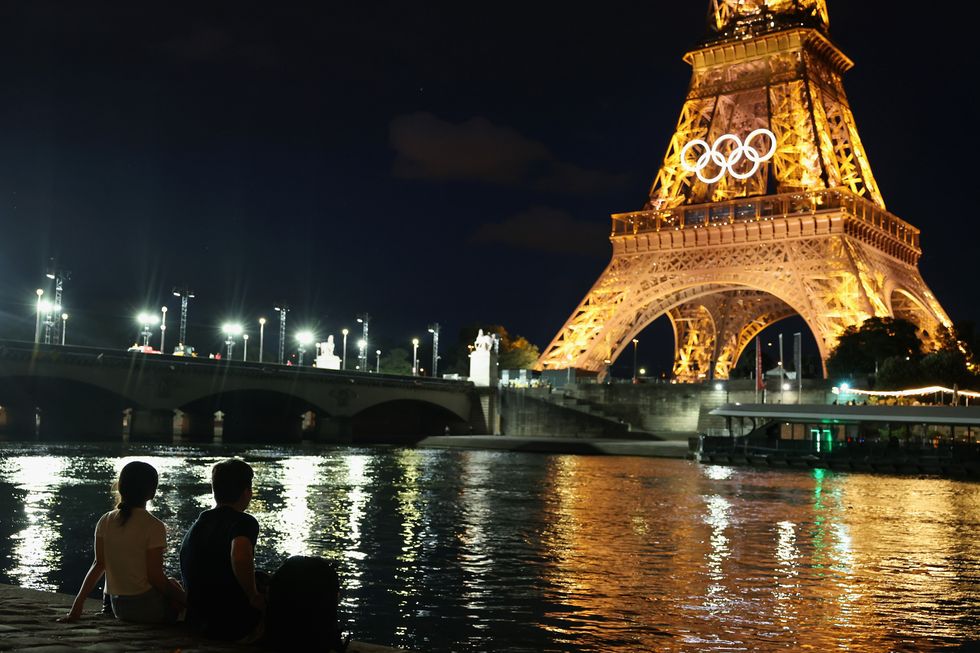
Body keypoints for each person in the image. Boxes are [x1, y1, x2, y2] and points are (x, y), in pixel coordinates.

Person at [60, 461, 185, 624]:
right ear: (152, 493)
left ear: (120, 487)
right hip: (147, 609)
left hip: (117, 606)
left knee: (173, 585)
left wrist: (77, 606)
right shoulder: (154, 526)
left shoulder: (105, 520)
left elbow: (98, 565)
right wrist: (187, 600)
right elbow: (155, 578)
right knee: (175, 587)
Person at [180, 458, 265, 642]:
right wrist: (253, 595)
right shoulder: (244, 522)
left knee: (257, 576)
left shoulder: (199, 524)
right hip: (228, 624)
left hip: (197, 621)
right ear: (246, 492)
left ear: (214, 491)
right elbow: (240, 555)